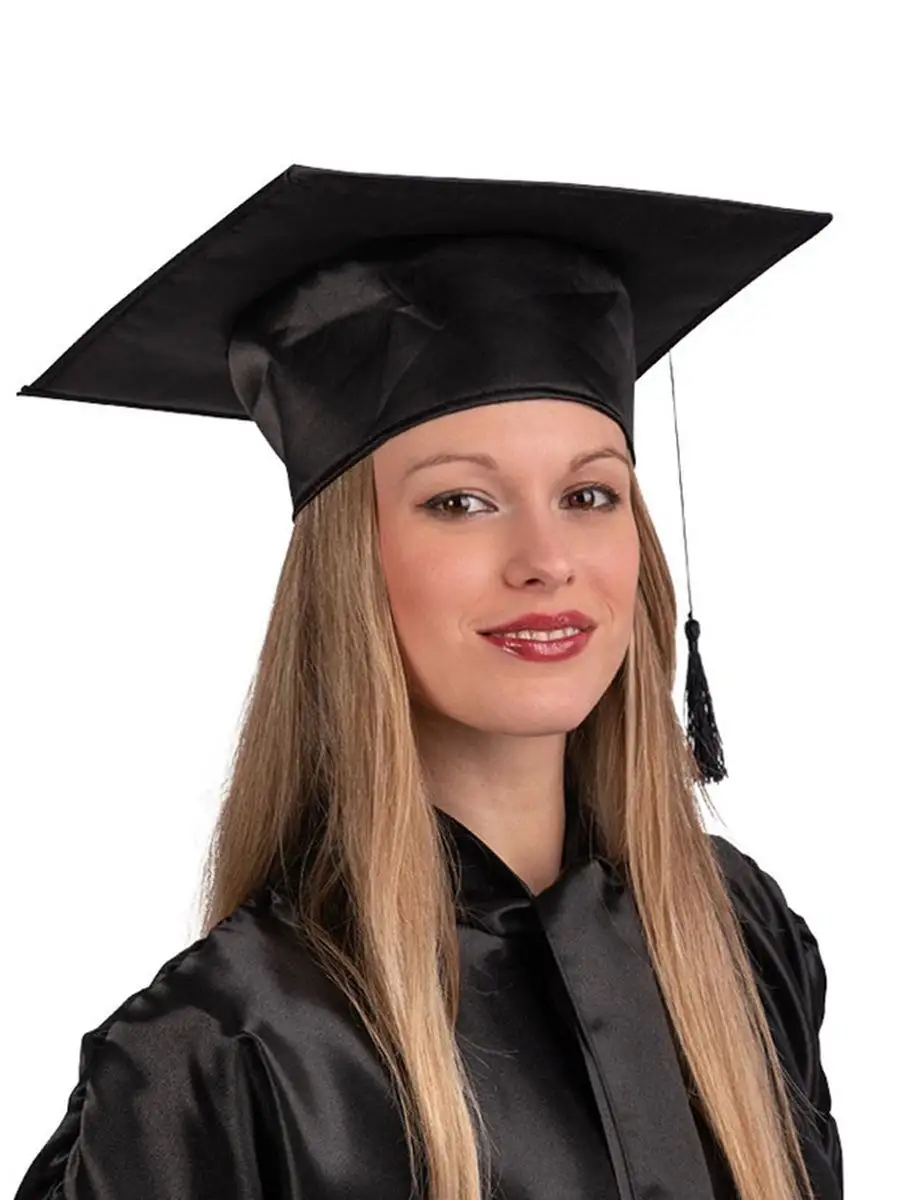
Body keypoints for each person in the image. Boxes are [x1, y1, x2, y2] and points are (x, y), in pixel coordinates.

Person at [13, 163, 842, 1200]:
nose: (547, 559)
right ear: (350, 569)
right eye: (461, 503)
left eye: (589, 493)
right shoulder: (223, 1057)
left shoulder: (739, 942)